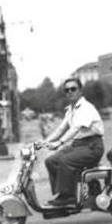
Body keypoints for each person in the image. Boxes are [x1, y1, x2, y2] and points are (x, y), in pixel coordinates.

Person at [41, 78, 105, 206]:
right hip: (78, 145)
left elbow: (76, 128)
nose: (70, 92)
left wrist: (59, 143)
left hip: (92, 146)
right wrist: (43, 142)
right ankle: (64, 193)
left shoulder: (86, 108)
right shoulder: (71, 109)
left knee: (65, 160)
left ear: (80, 91)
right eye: (67, 90)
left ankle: (68, 196)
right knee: (51, 161)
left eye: (73, 89)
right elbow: (61, 129)